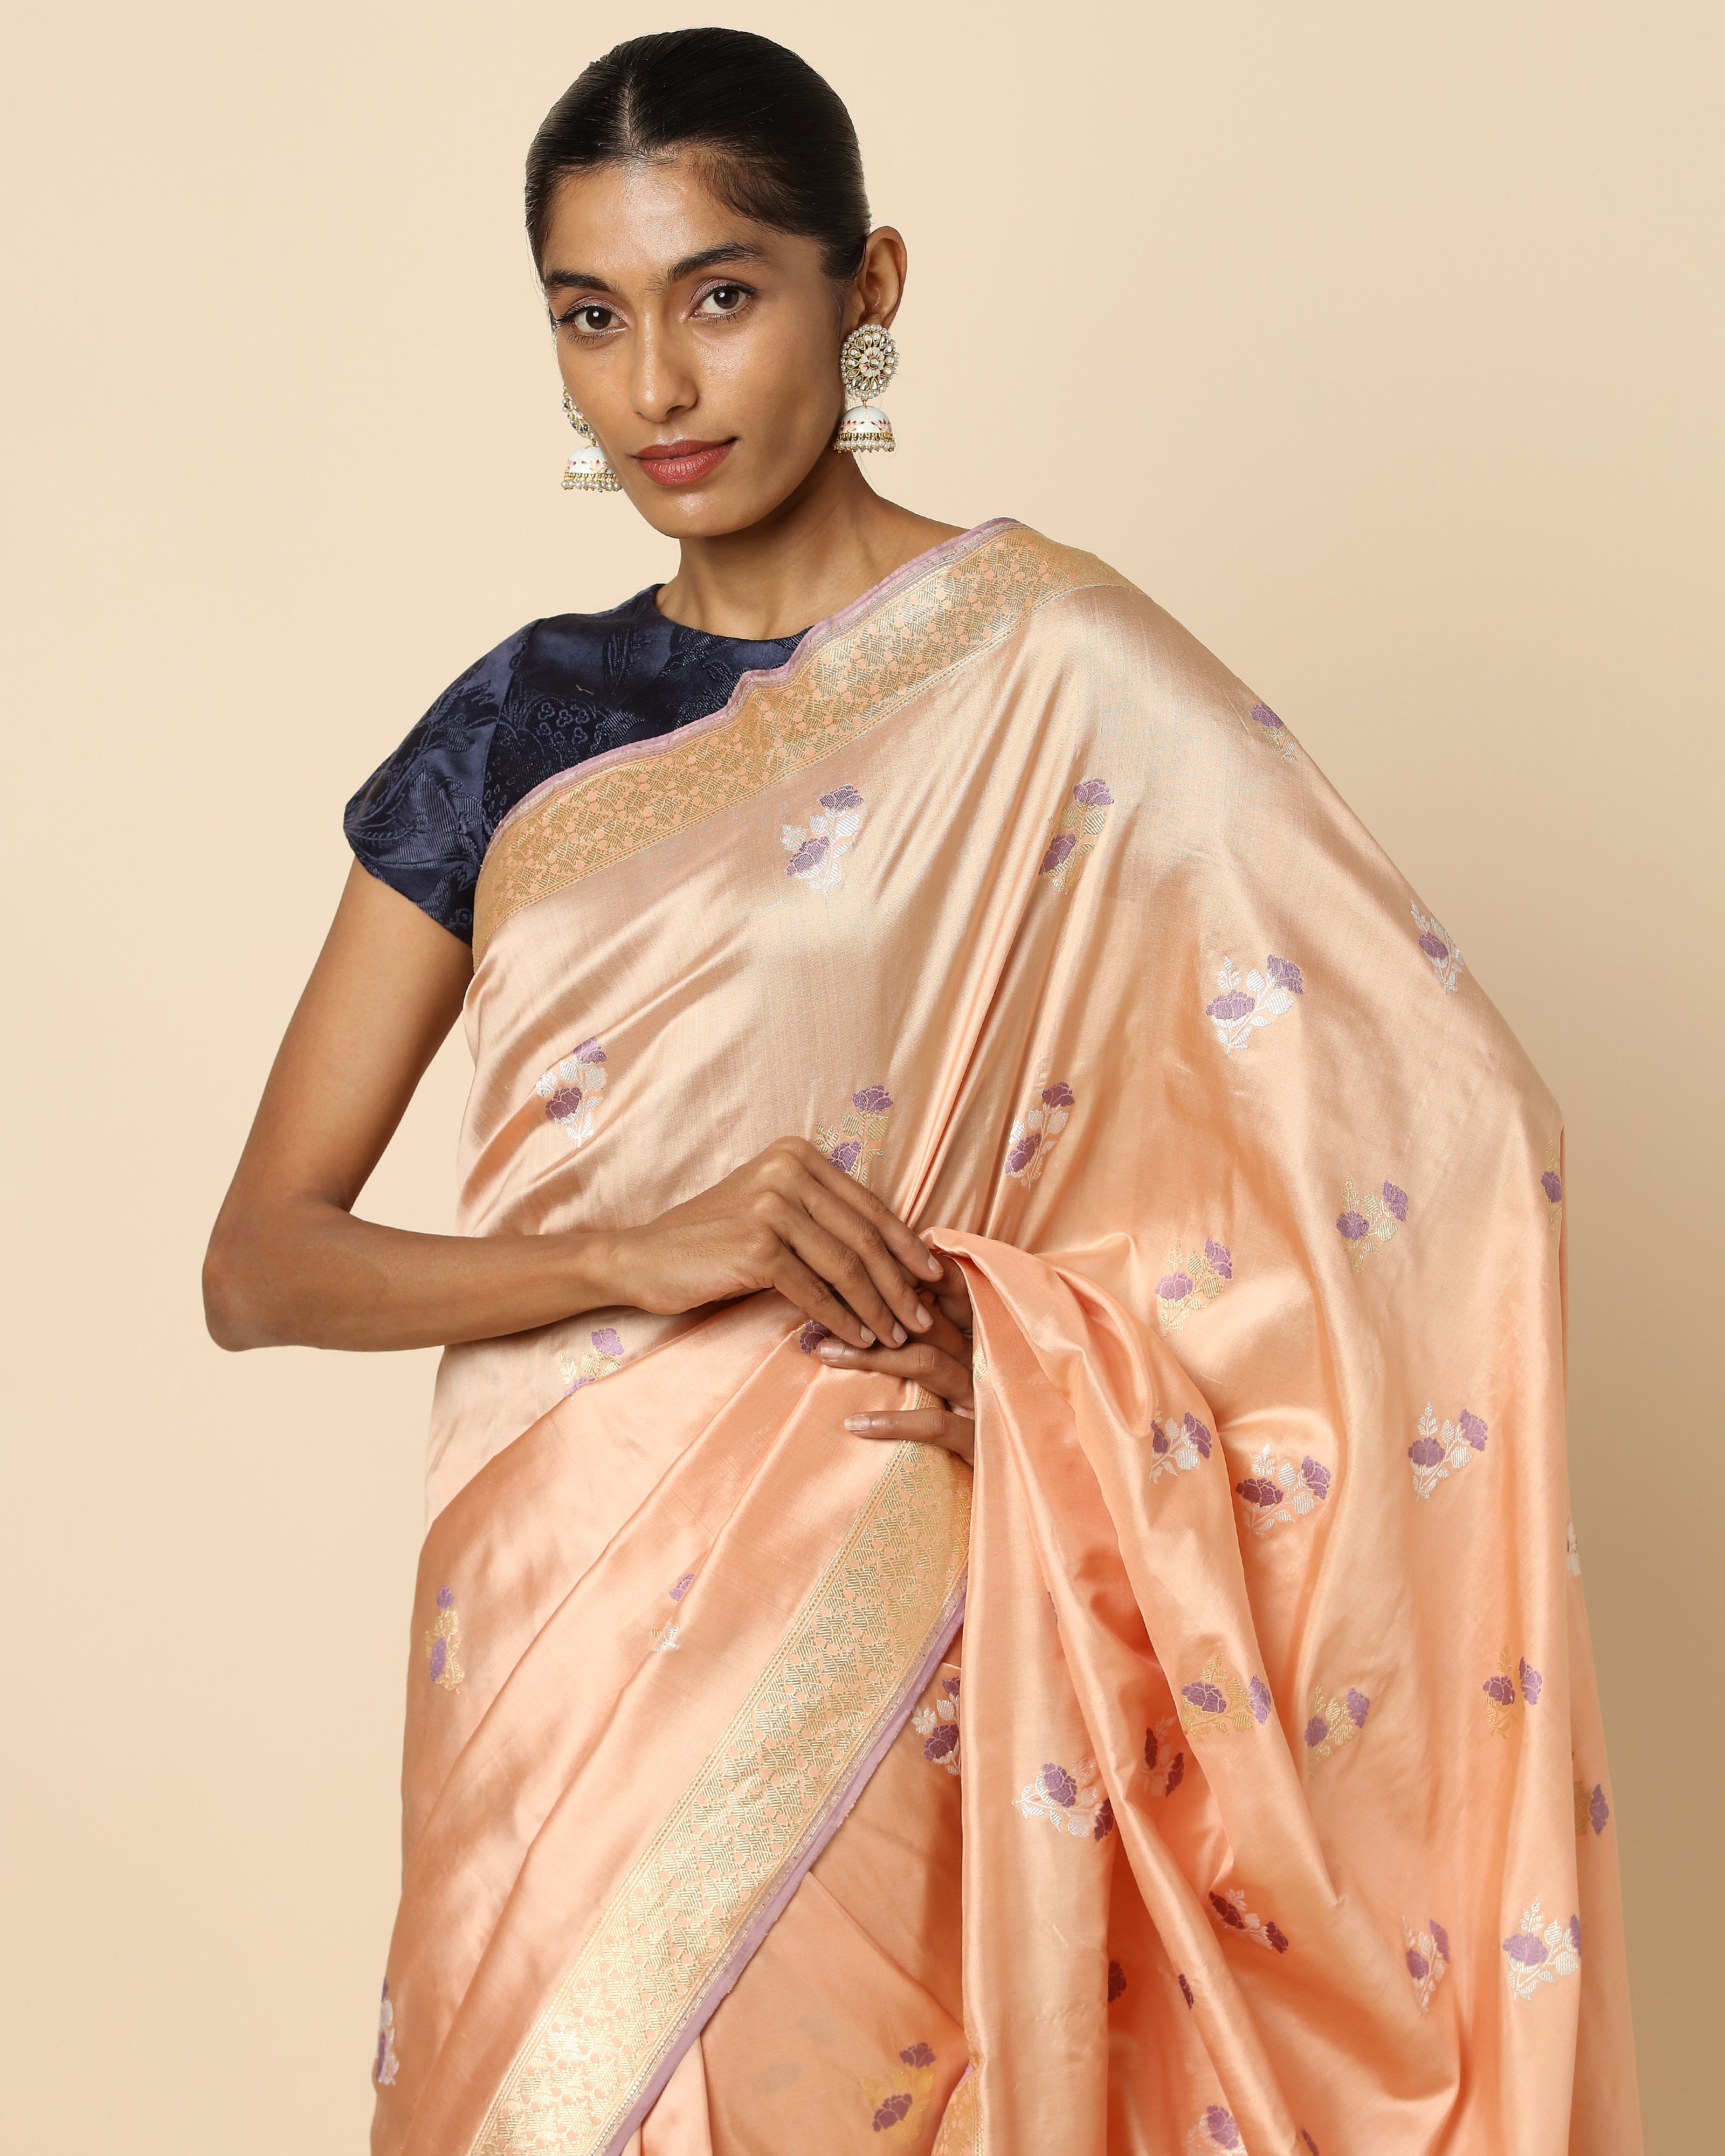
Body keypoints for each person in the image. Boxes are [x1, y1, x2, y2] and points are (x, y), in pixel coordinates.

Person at [204, 28, 1640, 2156]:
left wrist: (1053, 1369)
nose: (655, 386)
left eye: (719, 294)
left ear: (865, 285)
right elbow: (261, 1263)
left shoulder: (1058, 672)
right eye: (590, 318)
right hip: (534, 1630)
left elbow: (1437, 1145)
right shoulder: (511, 729)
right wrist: (637, 1250)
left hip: (884, 1607)